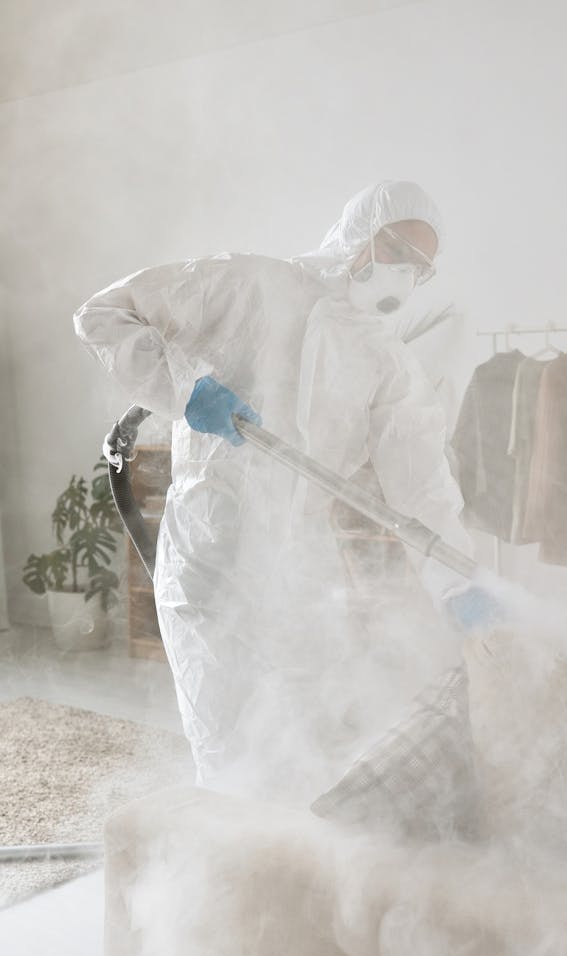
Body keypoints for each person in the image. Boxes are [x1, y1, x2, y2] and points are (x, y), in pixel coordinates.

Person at [74, 180, 477, 796]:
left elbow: (422, 486)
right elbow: (103, 314)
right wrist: (187, 390)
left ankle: (295, 863)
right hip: (213, 546)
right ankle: (230, 861)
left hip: (300, 566)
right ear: (360, 234)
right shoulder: (248, 283)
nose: (402, 274)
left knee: (306, 736)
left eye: (419, 269)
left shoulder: (383, 357)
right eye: (397, 250)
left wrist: (459, 583)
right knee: (225, 737)